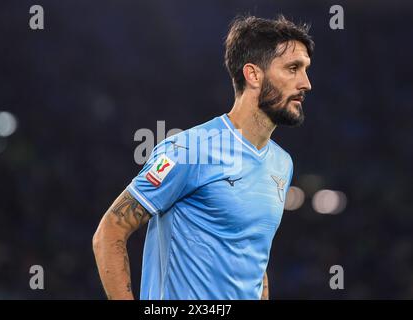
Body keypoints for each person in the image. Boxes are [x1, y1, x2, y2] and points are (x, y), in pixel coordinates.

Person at [93, 14, 314, 300]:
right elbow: (109, 233)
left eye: (306, 70)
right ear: (253, 74)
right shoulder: (188, 150)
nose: (306, 83)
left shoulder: (282, 164)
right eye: (293, 68)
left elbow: (255, 257)